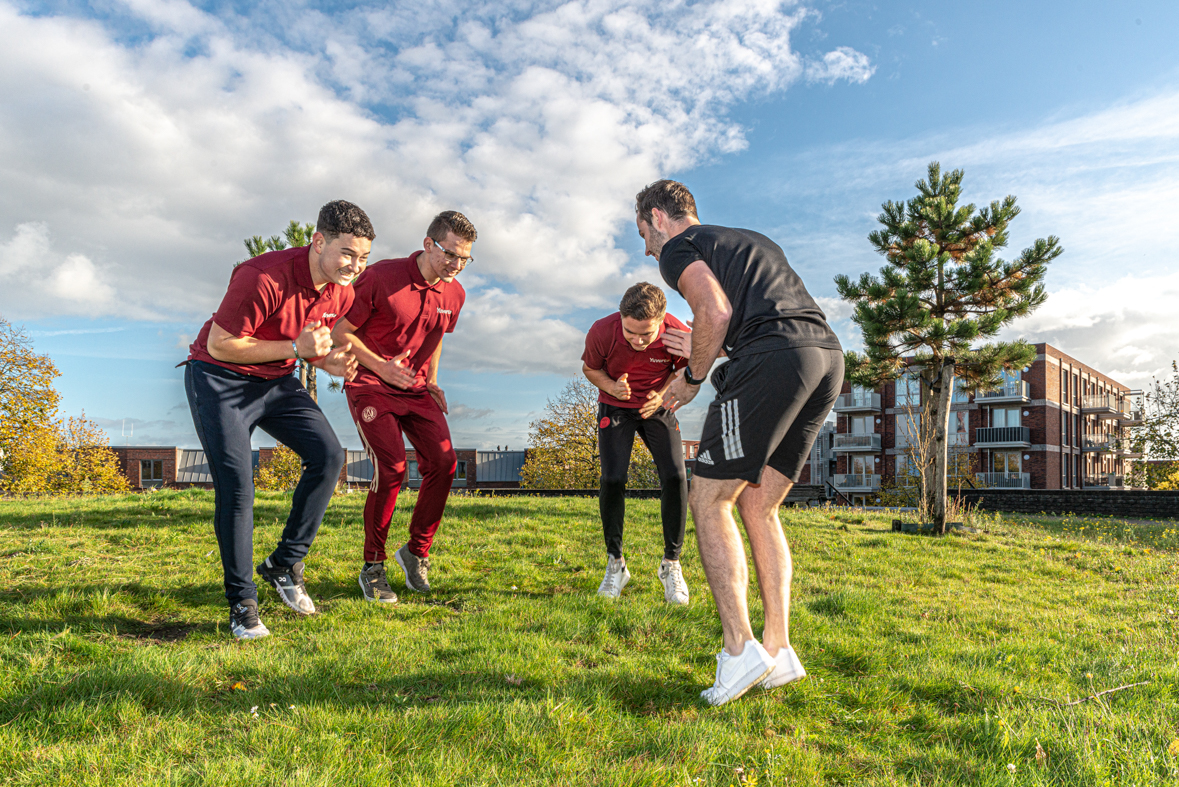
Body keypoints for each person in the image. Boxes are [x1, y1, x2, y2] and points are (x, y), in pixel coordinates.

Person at [635, 180, 844, 706]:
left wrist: (691, 375)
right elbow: (752, 316)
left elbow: (716, 310)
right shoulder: (748, 239)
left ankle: (739, 649)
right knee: (759, 504)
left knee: (708, 499)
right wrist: (718, 343)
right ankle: (778, 649)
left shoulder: (680, 248)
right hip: (824, 360)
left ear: (659, 217)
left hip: (774, 358)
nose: (646, 248)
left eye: (643, 233)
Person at [185, 199, 373, 640]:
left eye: (363, 257)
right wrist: (296, 349)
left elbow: (309, 344)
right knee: (238, 487)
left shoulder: (340, 291)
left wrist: (324, 362)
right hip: (219, 380)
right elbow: (222, 345)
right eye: (347, 253)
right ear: (319, 241)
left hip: (274, 381)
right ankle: (242, 603)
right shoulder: (262, 276)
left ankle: (285, 563)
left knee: (327, 455)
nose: (355, 266)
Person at [331, 211, 476, 602]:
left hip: (414, 387)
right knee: (392, 468)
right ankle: (373, 566)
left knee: (445, 464)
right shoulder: (381, 276)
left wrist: (430, 379)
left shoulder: (455, 292)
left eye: (464, 259)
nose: (456, 265)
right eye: (450, 254)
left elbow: (437, 335)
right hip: (370, 382)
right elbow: (340, 332)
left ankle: (415, 554)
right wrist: (381, 367)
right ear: (428, 244)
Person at [582, 282, 692, 604]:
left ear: (662, 321)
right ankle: (616, 564)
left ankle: (671, 564)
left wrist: (662, 394)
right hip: (616, 405)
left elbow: (682, 372)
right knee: (612, 479)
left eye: (647, 334)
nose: (639, 341)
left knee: (675, 476)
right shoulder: (602, 331)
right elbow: (590, 368)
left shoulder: (676, 332)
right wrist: (612, 388)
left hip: (656, 406)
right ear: (621, 318)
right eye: (631, 333)